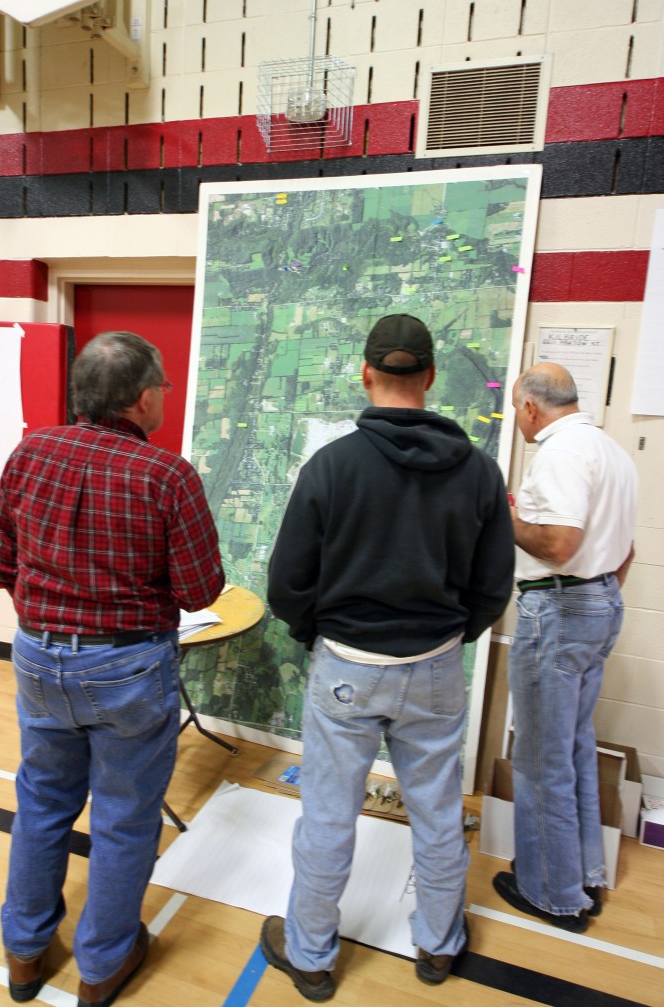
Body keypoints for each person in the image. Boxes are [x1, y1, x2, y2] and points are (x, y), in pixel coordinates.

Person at [262, 314, 514, 1000]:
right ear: (429, 378)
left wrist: (320, 631)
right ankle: (438, 946)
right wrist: (448, 639)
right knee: (436, 812)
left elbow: (287, 585)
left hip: (346, 665)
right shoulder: (482, 473)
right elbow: (493, 589)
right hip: (433, 668)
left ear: (366, 375)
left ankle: (311, 957)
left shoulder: (331, 466)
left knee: (327, 814)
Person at [0, 332, 225, 1007]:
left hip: (36, 654)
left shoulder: (29, 451)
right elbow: (200, 591)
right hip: (127, 666)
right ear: (144, 398)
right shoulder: (167, 476)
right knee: (123, 818)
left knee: (41, 804)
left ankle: (25, 954)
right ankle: (102, 967)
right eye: (164, 392)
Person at [493, 363, 637, 933]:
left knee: (540, 757)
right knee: (574, 746)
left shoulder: (559, 451)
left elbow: (557, 543)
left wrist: (507, 517)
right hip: (600, 604)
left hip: (559, 609)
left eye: (516, 409)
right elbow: (624, 550)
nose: (518, 420)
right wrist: (594, 596)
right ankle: (581, 876)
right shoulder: (610, 450)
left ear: (531, 407)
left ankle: (553, 894)